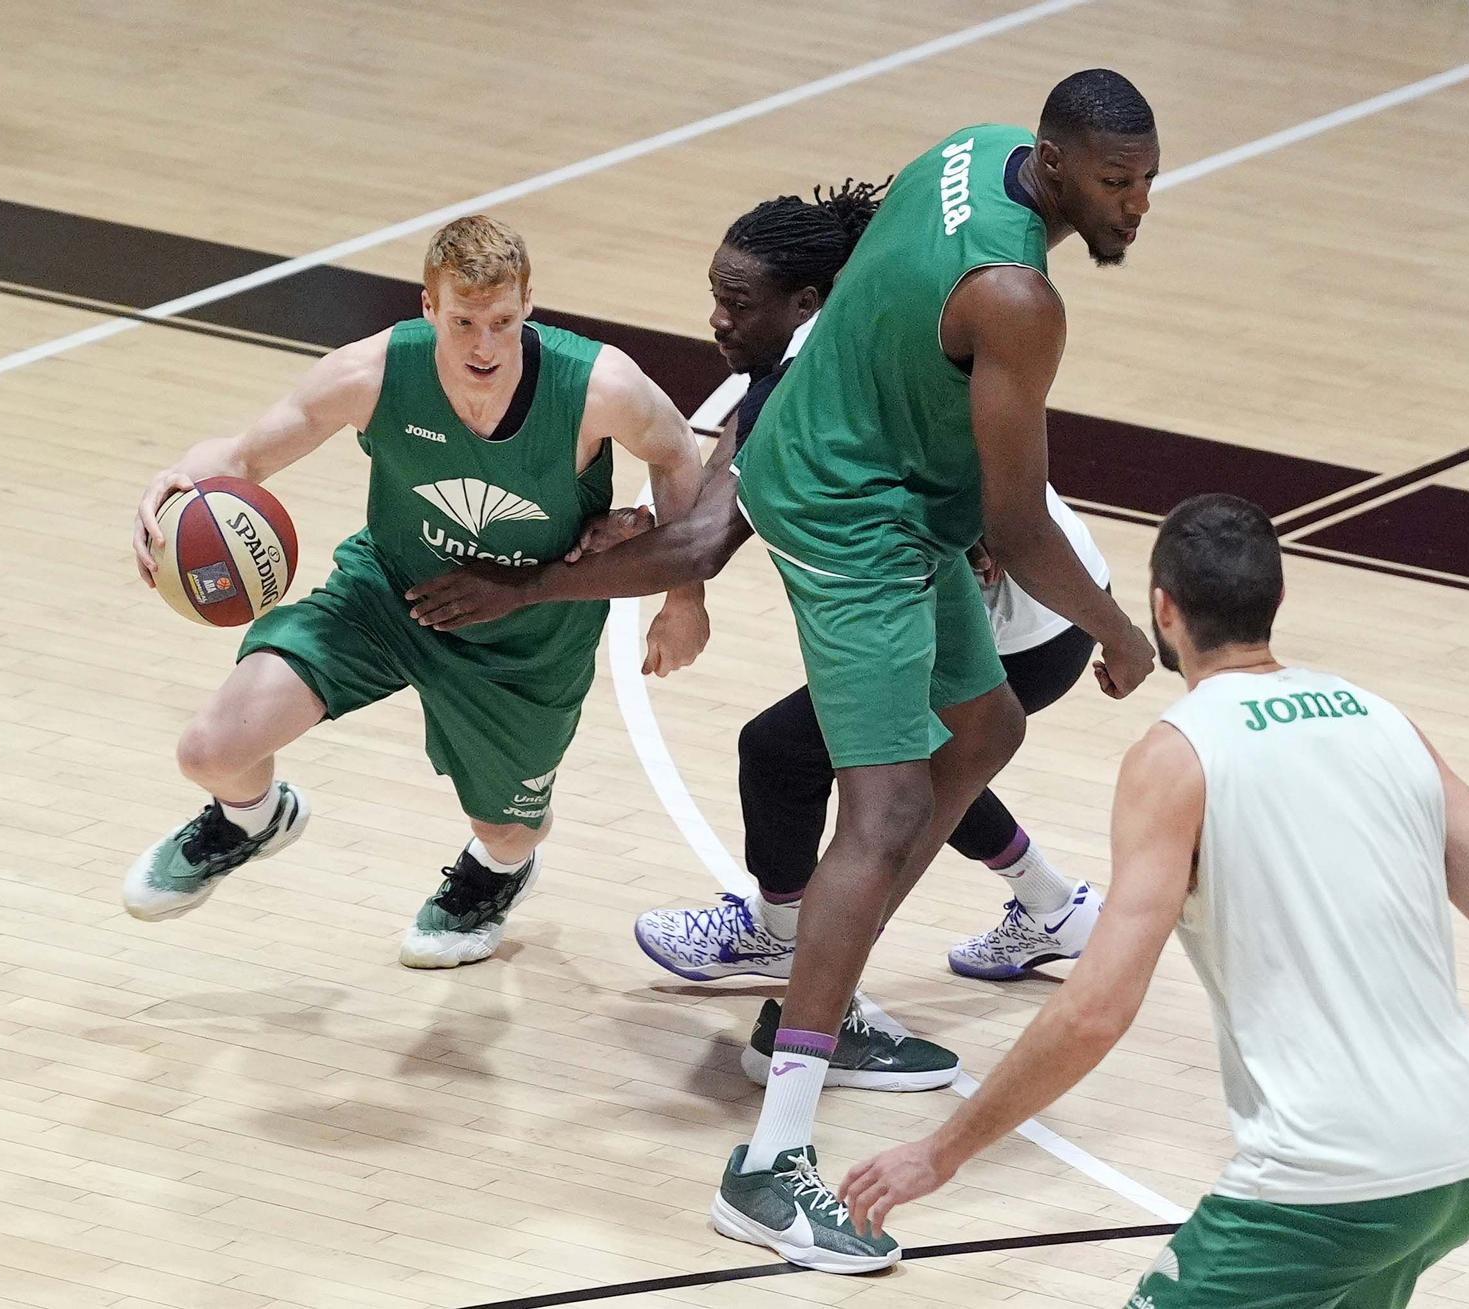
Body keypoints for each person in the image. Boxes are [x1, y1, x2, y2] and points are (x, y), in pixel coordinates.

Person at [407, 69, 1162, 1272]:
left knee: (981, 732)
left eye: (1147, 182)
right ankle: (770, 1161)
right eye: (1116, 184)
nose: (1135, 207)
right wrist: (1120, 629)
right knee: (885, 805)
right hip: (855, 514)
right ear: (1056, 164)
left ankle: (819, 988)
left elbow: (884, 327)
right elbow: (1017, 528)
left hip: (881, 476)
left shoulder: (968, 149)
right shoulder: (1018, 295)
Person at [839, 493, 1469, 1304]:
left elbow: (1095, 1010)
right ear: (1274, 602)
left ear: (1162, 609)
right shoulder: (1387, 722)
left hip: (1327, 1182)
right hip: (1466, 1163)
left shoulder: (1177, 753)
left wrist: (942, 1148)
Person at [124, 215, 707, 968]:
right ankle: (251, 817)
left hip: (528, 631)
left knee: (510, 830)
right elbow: (242, 457)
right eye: (462, 321)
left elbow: (677, 452)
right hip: (388, 594)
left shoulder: (599, 385)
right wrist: (176, 485)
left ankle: (499, 871)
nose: (483, 346)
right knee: (210, 748)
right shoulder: (371, 374)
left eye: (500, 321)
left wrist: (682, 597)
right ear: (428, 307)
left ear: (529, 302)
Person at [630, 184, 1111, 1005]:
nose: (716, 318)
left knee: (791, 757)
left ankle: (782, 938)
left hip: (1027, 624)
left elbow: (986, 511)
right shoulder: (824, 352)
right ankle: (1053, 905)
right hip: (1054, 610)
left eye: (735, 301)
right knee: (917, 769)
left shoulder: (849, 366)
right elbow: (732, 463)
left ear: (807, 300)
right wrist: (684, 594)